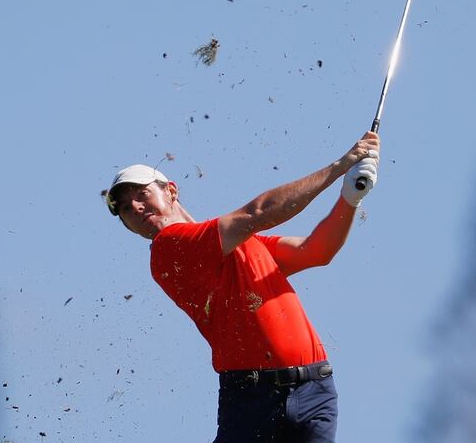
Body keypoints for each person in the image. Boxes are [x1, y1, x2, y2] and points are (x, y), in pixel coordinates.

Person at [104, 131, 380, 443]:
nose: (135, 207)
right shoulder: (168, 249)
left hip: (315, 391)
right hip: (252, 402)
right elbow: (258, 213)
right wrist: (339, 167)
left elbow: (316, 251)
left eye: (141, 194)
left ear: (171, 190)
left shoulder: (233, 243)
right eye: (125, 209)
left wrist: (350, 198)